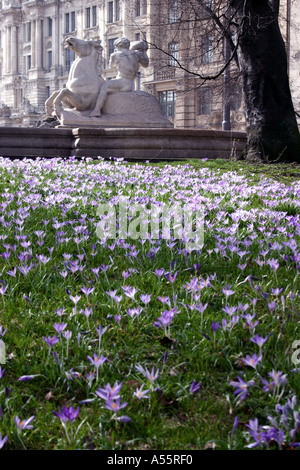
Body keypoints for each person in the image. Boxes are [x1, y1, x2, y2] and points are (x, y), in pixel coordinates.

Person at [89, 37, 149, 117]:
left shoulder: (115, 54)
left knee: (104, 86)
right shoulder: (137, 54)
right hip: (130, 83)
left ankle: (97, 110)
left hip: (122, 81)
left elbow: (112, 67)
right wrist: (144, 52)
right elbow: (146, 64)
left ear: (117, 46)